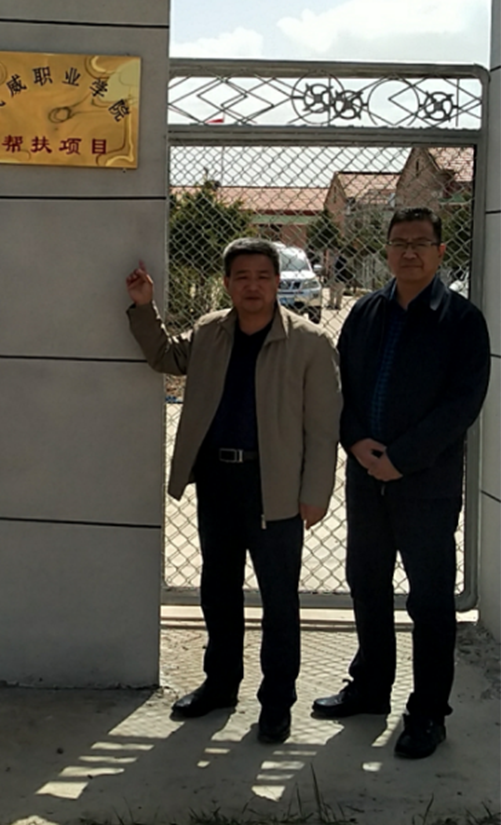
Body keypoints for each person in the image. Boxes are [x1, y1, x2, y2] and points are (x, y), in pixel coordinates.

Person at [126, 238, 341, 743]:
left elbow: (323, 427)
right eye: (242, 277)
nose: (252, 286)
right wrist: (143, 307)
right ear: (227, 283)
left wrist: (316, 491)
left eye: (263, 276)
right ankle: (220, 684)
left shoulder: (309, 343)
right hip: (219, 483)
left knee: (279, 599)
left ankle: (277, 703)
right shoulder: (210, 331)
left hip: (276, 486)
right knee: (218, 590)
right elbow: (165, 356)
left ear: (277, 282)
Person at [313, 207, 490, 759]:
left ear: (440, 252)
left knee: (430, 599)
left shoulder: (461, 320)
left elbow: (463, 403)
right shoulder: (365, 312)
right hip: (367, 477)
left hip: (426, 484)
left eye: (420, 243)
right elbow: (341, 389)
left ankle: (428, 712)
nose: (408, 252)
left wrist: (404, 458)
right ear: (386, 251)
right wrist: (355, 441)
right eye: (399, 242)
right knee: (366, 584)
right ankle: (370, 687)